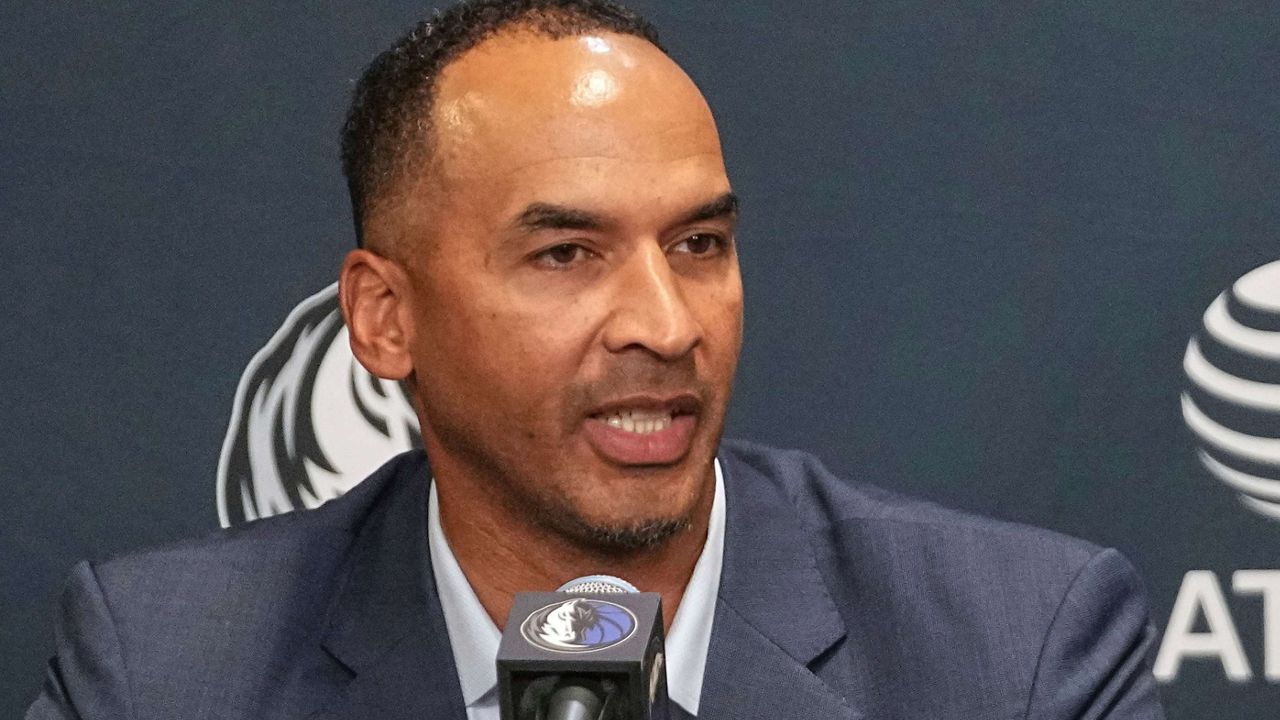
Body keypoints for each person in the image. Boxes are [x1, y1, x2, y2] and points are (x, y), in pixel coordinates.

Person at [28, 1, 1167, 718]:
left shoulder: (1015, 651)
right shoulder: (164, 669)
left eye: (699, 244)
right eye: (566, 253)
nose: (665, 326)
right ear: (383, 320)